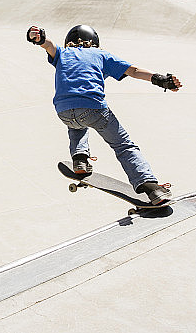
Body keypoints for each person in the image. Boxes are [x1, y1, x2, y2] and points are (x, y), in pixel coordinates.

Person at [27, 24, 182, 205]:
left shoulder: (62, 53)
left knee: (76, 123)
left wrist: (40, 40)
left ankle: (80, 159)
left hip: (63, 111)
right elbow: (133, 71)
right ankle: (150, 186)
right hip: (94, 109)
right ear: (94, 42)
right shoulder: (101, 54)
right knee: (123, 146)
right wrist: (160, 79)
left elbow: (49, 46)